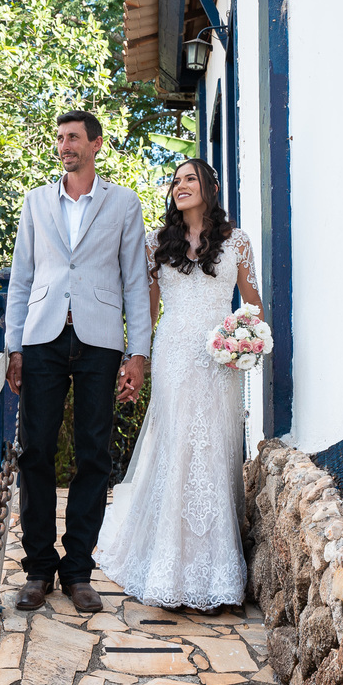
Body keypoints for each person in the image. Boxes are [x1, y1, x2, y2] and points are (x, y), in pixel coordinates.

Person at [95, 157, 263, 613]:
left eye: (189, 179)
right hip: (173, 353)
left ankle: (215, 570)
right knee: (178, 444)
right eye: (174, 181)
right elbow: (147, 310)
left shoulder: (237, 241)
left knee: (212, 447)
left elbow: (252, 305)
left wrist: (244, 339)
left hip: (217, 357)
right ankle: (166, 564)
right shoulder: (157, 243)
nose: (179, 186)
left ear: (210, 185)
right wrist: (137, 360)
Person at [4, 110, 153, 613]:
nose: (65, 145)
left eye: (73, 138)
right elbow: (21, 278)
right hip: (43, 336)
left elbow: (135, 279)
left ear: (96, 144)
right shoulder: (35, 203)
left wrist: (139, 352)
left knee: (93, 453)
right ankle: (39, 569)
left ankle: (79, 571)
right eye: (61, 138)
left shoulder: (124, 203)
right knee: (37, 452)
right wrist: (13, 347)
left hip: (100, 338)